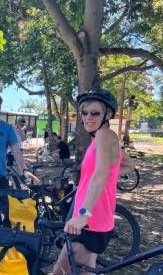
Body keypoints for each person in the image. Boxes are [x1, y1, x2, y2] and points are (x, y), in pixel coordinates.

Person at [52, 87, 134, 275]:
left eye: (95, 113)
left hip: (90, 219)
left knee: (59, 272)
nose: (88, 117)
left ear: (108, 114)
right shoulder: (102, 138)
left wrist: (83, 214)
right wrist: (110, 176)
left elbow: (100, 175)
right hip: (97, 217)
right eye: (84, 113)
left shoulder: (105, 135)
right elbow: (128, 164)